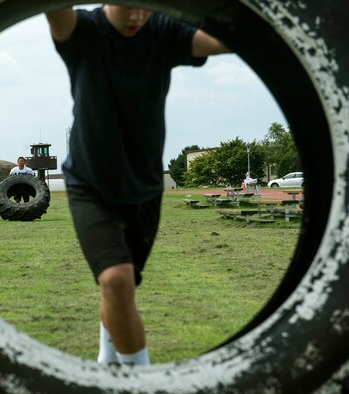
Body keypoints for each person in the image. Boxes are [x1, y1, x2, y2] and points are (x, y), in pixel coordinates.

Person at [45, 5, 230, 366]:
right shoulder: (84, 31)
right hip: (90, 181)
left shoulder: (161, 30)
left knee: (121, 289)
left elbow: (225, 39)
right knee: (116, 280)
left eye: (145, 6)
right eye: (128, 7)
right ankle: (139, 380)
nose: (137, 16)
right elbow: (54, 11)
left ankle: (106, 359)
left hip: (144, 187)